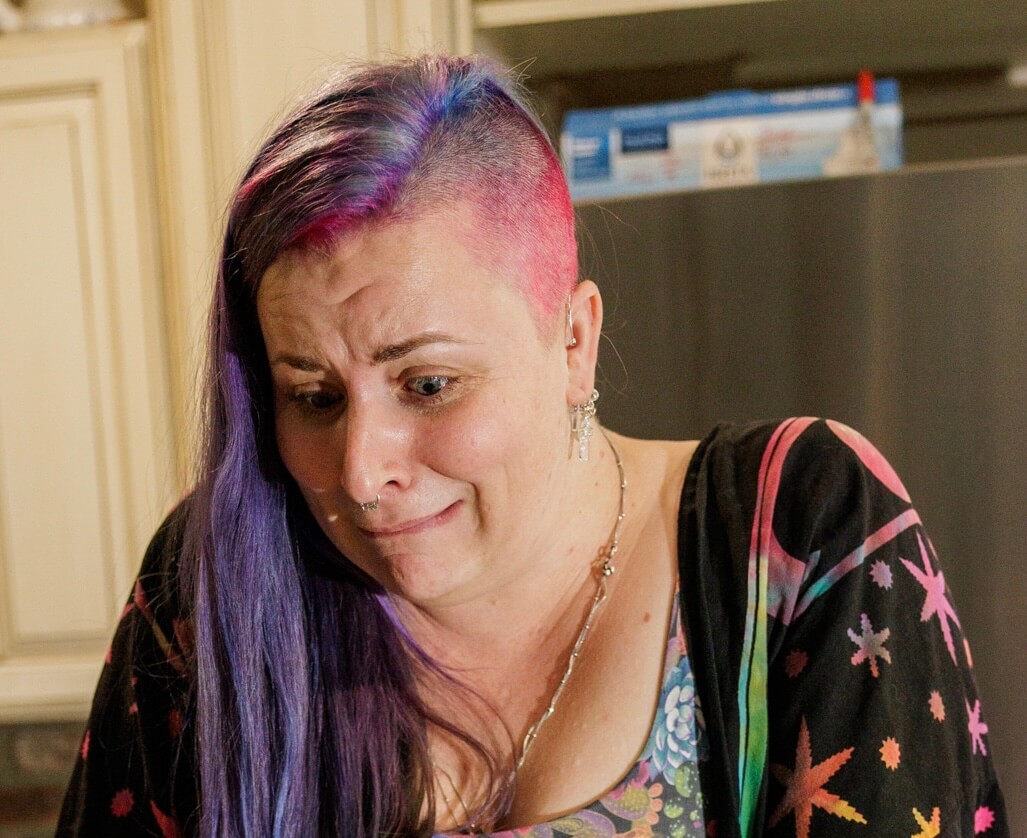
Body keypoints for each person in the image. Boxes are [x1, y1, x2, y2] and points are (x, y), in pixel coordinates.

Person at [57, 54, 1007, 837]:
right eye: (311, 395)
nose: (360, 469)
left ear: (573, 343)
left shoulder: (797, 530)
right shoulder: (205, 588)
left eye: (428, 384)